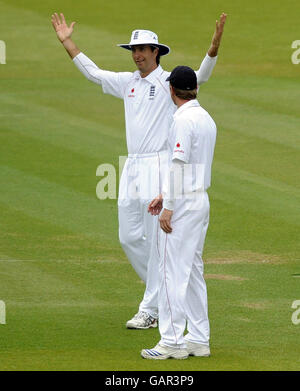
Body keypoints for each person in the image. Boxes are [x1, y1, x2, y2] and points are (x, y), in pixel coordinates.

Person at [51, 13, 226, 329]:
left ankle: (152, 308)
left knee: (158, 240)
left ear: (156, 51)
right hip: (131, 165)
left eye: (143, 49)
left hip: (158, 165)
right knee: (129, 236)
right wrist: (68, 42)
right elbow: (93, 73)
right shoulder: (127, 82)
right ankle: (166, 294)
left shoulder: (169, 81)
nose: (137, 55)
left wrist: (213, 47)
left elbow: (201, 76)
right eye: (133, 49)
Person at [142, 65, 217, 359]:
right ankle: (198, 338)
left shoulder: (183, 120)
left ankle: (172, 342)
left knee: (170, 271)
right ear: (194, 89)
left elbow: (179, 163)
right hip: (199, 200)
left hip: (184, 205)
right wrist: (165, 194)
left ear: (171, 90)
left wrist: (169, 206)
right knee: (193, 270)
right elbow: (192, 165)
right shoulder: (205, 117)